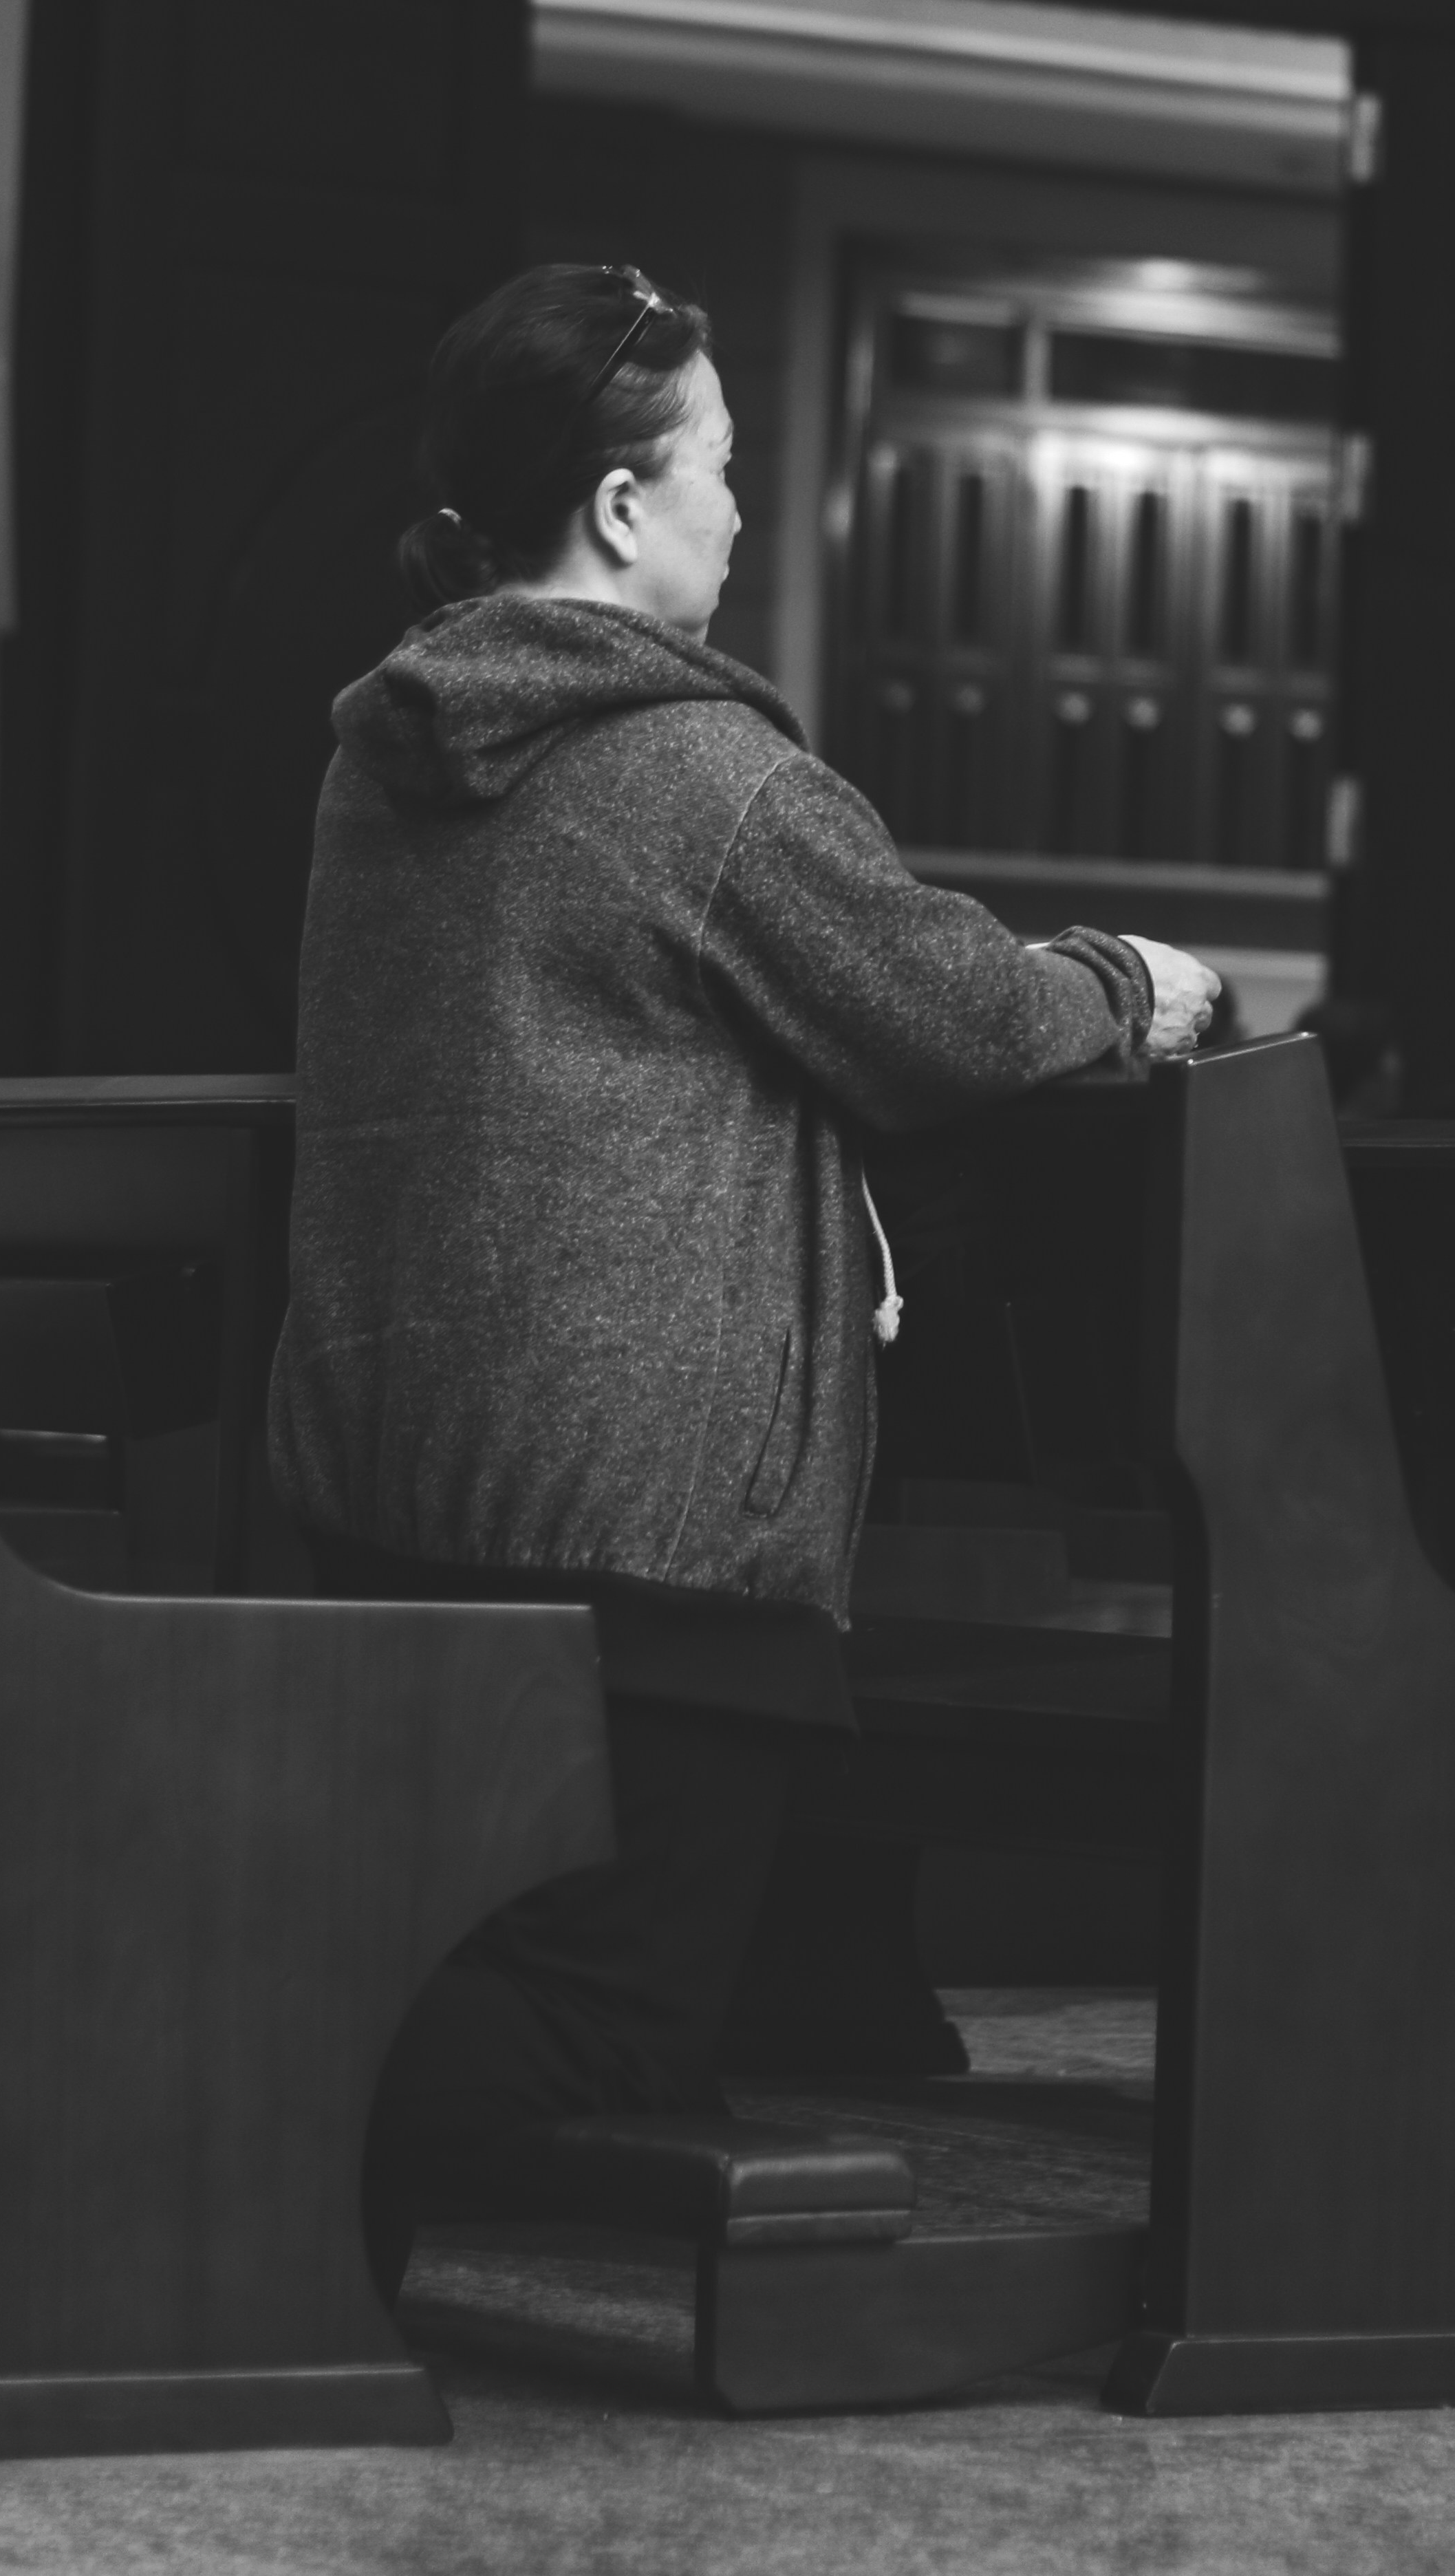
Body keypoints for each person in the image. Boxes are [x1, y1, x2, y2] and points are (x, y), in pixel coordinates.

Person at [266, 260, 1216, 2275]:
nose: (738, 510)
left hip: (397, 1497)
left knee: (550, 1959)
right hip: (648, 1536)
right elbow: (957, 1018)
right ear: (620, 510)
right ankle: (134, 2080)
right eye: (713, 468)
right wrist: (1136, 978)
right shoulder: (695, 776)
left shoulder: (394, 753)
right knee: (600, 2028)